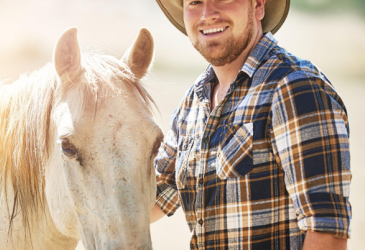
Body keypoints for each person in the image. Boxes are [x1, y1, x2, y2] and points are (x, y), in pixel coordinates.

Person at [150, 0, 352, 249]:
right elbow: (152, 199)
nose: (207, 14)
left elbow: (326, 232)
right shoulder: (193, 103)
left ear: (257, 5)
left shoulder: (295, 88)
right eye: (195, 1)